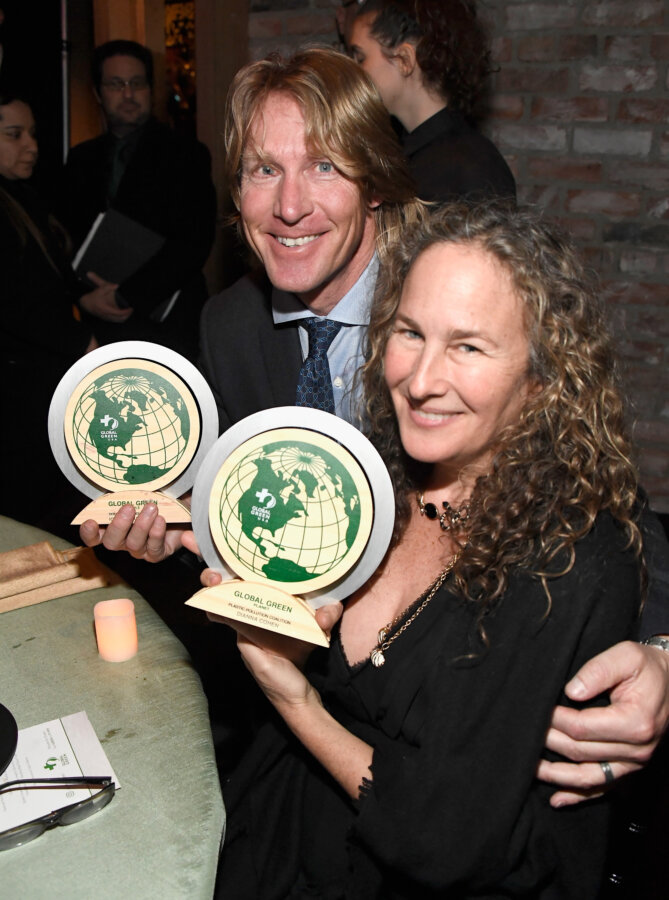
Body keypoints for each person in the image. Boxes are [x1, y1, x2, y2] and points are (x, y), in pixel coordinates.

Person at [77, 49, 669, 803]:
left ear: (377, 182)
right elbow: (243, 515)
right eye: (263, 170)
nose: (290, 206)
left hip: (459, 716)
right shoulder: (231, 324)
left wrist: (660, 650)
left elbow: (602, 482)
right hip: (304, 706)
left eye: (324, 167)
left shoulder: (444, 291)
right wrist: (166, 530)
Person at [210, 202, 643, 897]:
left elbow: (447, 838)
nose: (420, 379)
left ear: (540, 380)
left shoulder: (568, 561)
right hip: (283, 842)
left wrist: (294, 699)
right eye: (410, 333)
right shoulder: (376, 478)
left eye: (467, 347)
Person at [55, 39, 217, 360]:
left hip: (168, 326)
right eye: (116, 84)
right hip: (96, 330)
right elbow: (61, 240)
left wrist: (126, 295)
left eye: (137, 83)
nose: (128, 94)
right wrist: (81, 298)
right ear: (98, 93)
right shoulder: (79, 159)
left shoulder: (187, 154)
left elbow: (195, 241)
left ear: (150, 89)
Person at [0, 86, 107, 526]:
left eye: (33, 133)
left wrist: (84, 293)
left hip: (36, 386)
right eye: (14, 134)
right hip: (15, 395)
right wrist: (86, 343)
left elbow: (45, 278)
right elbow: (15, 300)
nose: (32, 146)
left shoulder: (21, 195)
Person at [349, 0, 516, 203]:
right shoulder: (399, 153)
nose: (354, 74)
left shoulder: (474, 166)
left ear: (404, 60)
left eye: (360, 59)